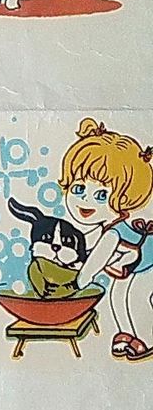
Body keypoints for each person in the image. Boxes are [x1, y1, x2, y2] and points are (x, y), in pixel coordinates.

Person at [59, 118, 153, 360]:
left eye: (101, 195)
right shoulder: (108, 228)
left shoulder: (113, 233)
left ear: (125, 199)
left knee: (139, 297)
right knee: (117, 296)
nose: (86, 200)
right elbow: (90, 250)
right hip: (136, 266)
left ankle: (145, 338)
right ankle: (127, 335)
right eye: (79, 189)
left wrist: (76, 285)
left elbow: (94, 263)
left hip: (148, 266)